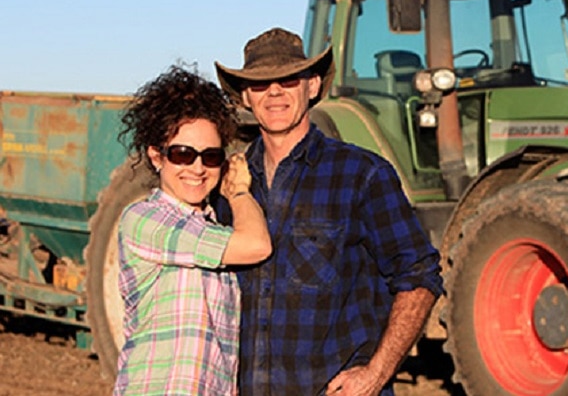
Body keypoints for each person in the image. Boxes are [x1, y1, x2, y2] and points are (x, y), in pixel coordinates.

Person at [214, 28, 443, 395]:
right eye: (260, 83)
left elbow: (419, 276)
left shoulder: (362, 175)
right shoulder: (225, 185)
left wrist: (376, 373)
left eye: (288, 79)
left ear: (313, 85)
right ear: (244, 96)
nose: (274, 92)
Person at [113, 65, 272, 395]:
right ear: (157, 157)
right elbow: (256, 245)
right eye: (182, 154)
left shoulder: (212, 228)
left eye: (211, 156)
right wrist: (239, 191)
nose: (197, 168)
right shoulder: (146, 219)